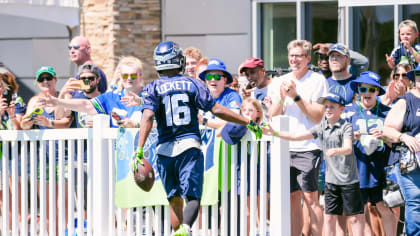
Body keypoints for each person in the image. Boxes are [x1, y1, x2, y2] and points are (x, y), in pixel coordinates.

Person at [132, 41, 262, 236]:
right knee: (193, 197)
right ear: (179, 61)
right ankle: (185, 229)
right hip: (188, 145)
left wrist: (139, 149)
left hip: (164, 150)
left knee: (174, 198)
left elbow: (148, 117)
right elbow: (217, 109)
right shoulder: (193, 83)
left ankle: (180, 231)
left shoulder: (152, 88)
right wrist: (247, 121)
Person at [263, 93, 366, 235]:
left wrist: (336, 150)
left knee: (354, 218)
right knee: (329, 217)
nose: (328, 109)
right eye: (326, 106)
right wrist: (274, 133)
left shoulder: (346, 127)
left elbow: (348, 148)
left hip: (349, 180)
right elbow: (296, 136)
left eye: (332, 107)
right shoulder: (321, 127)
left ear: (341, 109)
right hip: (331, 181)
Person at [268, 39, 327, 236]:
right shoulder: (278, 81)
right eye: (292, 56)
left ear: (308, 58)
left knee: (311, 198)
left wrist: (296, 97)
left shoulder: (317, 80)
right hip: (284, 147)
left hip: (308, 146)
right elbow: (273, 115)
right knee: (292, 197)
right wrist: (282, 98)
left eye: (299, 56)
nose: (294, 60)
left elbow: (318, 115)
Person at [20, 66, 74, 234]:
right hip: (41, 158)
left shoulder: (65, 96)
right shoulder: (35, 101)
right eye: (41, 79)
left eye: (48, 78)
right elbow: (24, 125)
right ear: (37, 82)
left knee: (63, 204)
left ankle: (62, 232)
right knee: (47, 205)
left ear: (55, 79)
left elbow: (65, 122)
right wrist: (29, 121)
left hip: (63, 156)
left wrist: (47, 122)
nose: (45, 82)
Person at [342, 71, 395, 235]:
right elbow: (333, 137)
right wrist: (349, 137)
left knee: (385, 208)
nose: (366, 94)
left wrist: (385, 137)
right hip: (355, 169)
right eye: (362, 89)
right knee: (356, 213)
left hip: (382, 169)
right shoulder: (347, 111)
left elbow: (397, 141)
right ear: (358, 90)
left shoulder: (388, 112)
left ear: (378, 92)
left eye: (371, 90)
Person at [38, 57, 145, 128]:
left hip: (147, 155)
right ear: (120, 77)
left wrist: (135, 125)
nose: (129, 78)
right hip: (119, 156)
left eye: (134, 75)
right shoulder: (110, 97)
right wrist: (58, 101)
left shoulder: (150, 96)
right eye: (125, 75)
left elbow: (160, 124)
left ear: (140, 76)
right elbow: (86, 105)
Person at [218, 97, 269, 235]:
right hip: (240, 171)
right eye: (244, 110)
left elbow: (265, 130)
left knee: (256, 208)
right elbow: (219, 133)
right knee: (242, 209)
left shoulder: (260, 126)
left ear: (258, 112)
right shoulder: (237, 125)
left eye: (251, 110)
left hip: (257, 170)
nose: (247, 113)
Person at [383, 64, 420, 236]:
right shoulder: (406, 100)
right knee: (415, 201)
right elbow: (387, 129)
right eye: (418, 74)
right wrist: (403, 137)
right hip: (411, 162)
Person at [0, 73, 23, 230]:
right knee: (2, 197)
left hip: (13, 155)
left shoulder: (17, 101)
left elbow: (19, 129)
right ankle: (8, 230)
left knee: (16, 195)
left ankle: (17, 230)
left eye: (1, 86)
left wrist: (11, 115)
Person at [198, 58, 242, 129]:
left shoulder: (232, 96)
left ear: (225, 80)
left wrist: (204, 121)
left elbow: (233, 122)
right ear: (205, 80)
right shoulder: (200, 97)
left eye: (217, 76)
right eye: (209, 76)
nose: (213, 80)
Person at [239, 57, 272, 122]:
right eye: (247, 74)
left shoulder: (279, 87)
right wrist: (246, 101)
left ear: (263, 71)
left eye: (253, 72)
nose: (250, 77)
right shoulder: (250, 93)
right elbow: (249, 122)